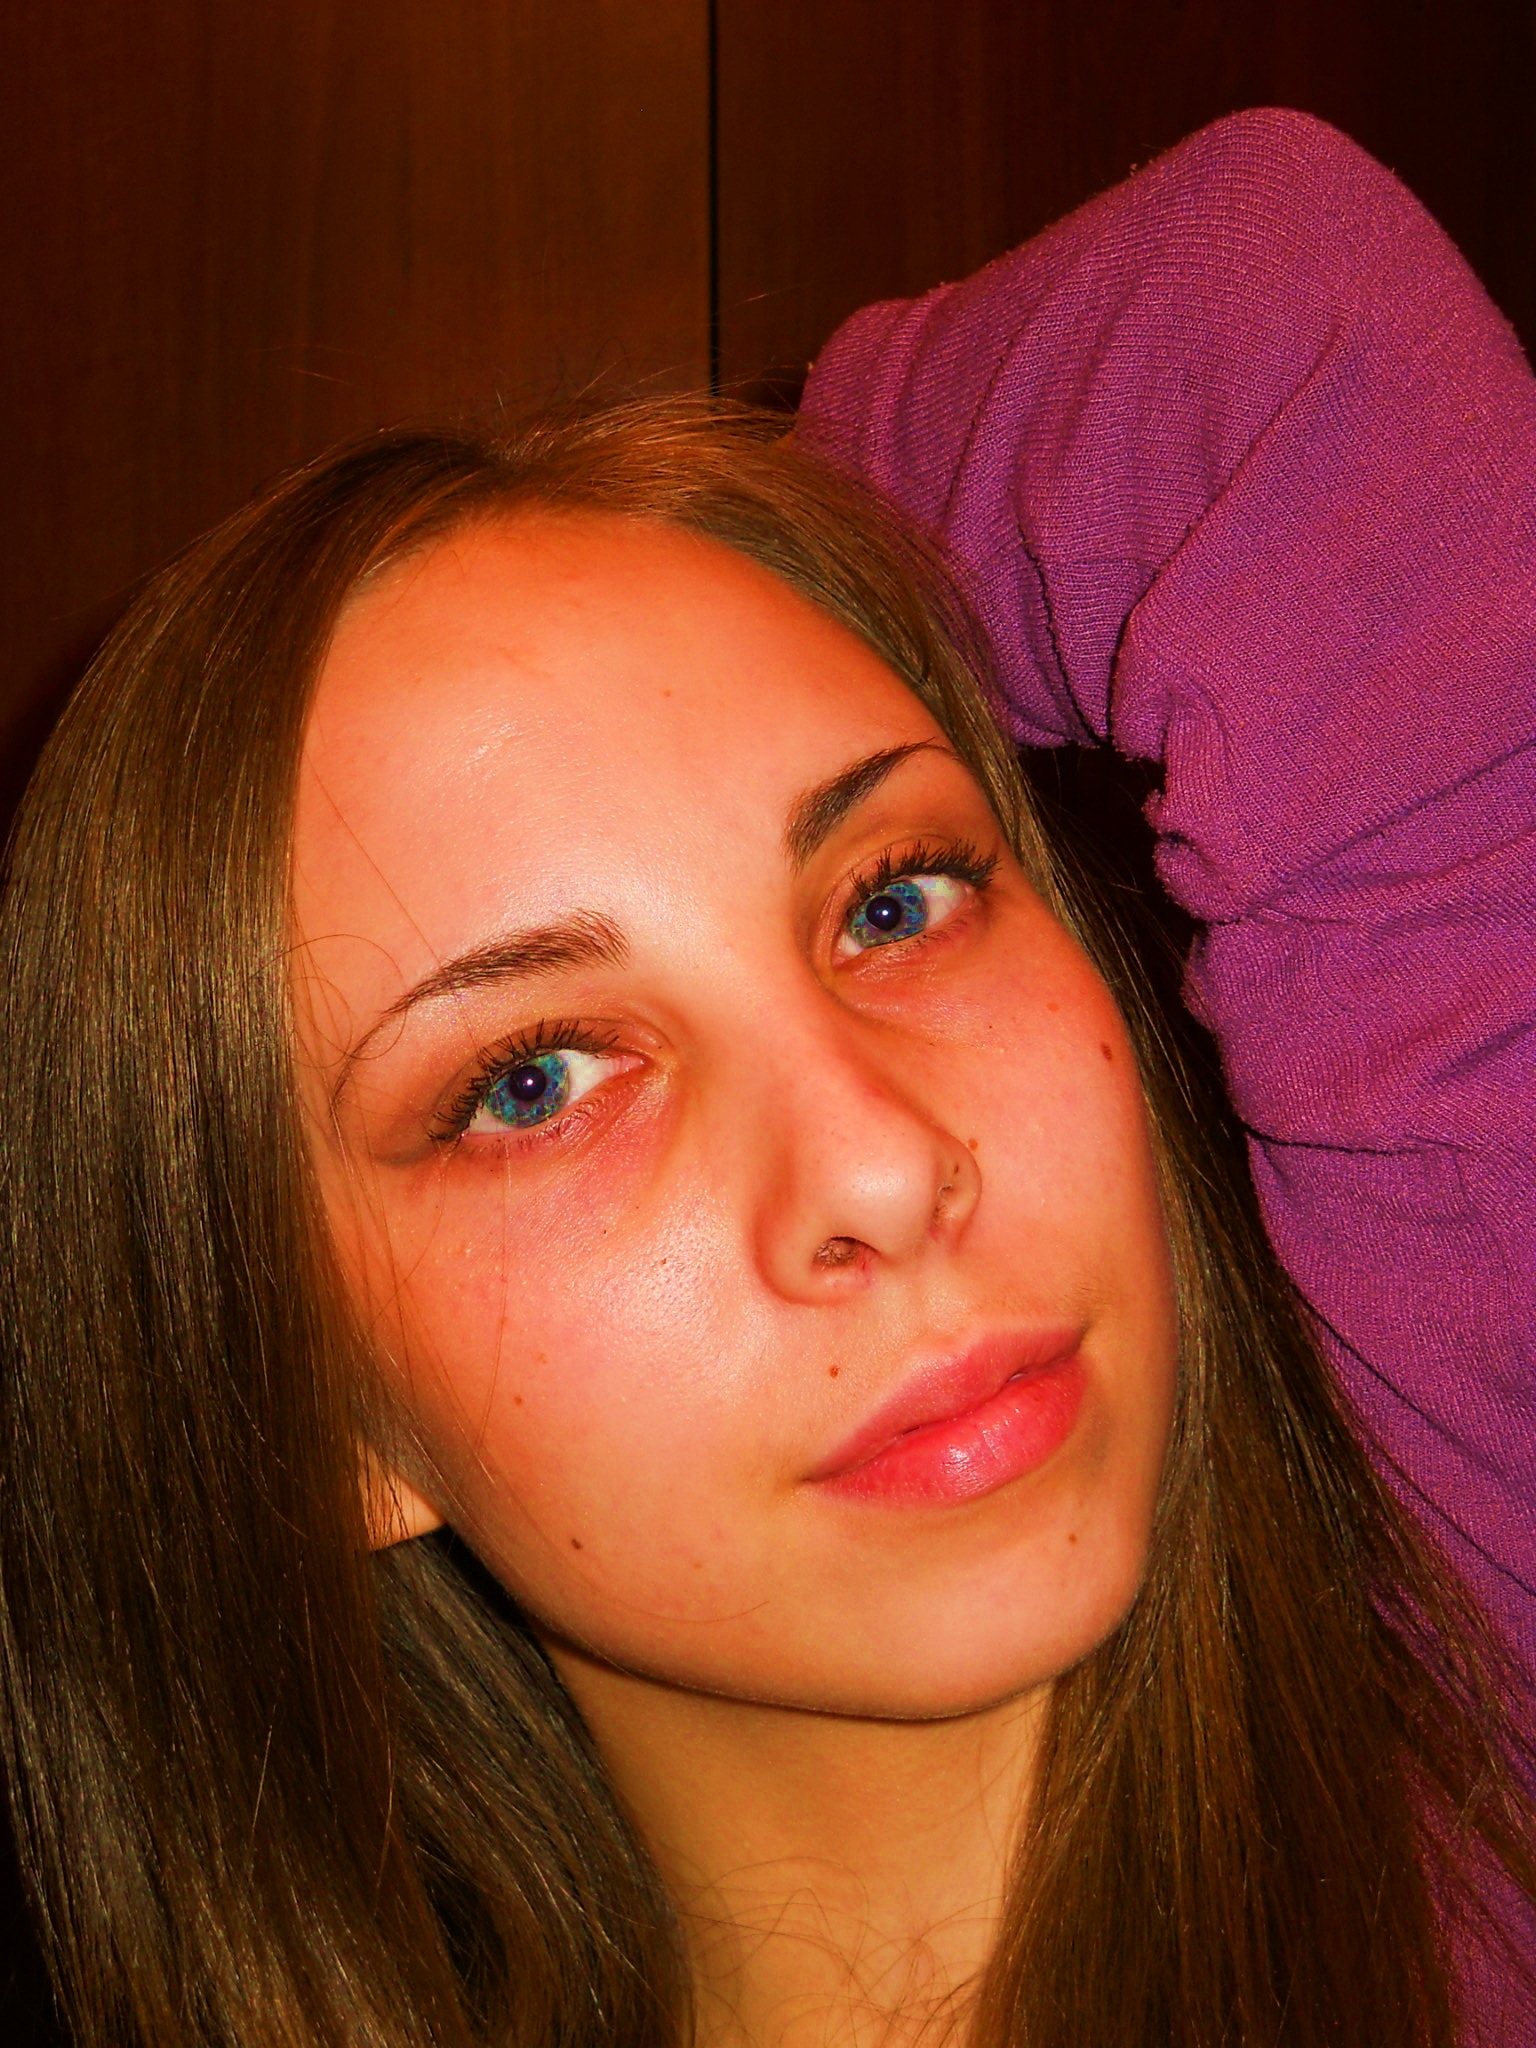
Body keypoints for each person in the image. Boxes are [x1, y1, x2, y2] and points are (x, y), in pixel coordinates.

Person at [0, 108, 1531, 2048]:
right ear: (307, 1409)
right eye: (535, 1081)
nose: (882, 1167)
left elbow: (1262, 323)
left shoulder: (1481, 1659)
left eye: (896, 899)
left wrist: (729, 555)